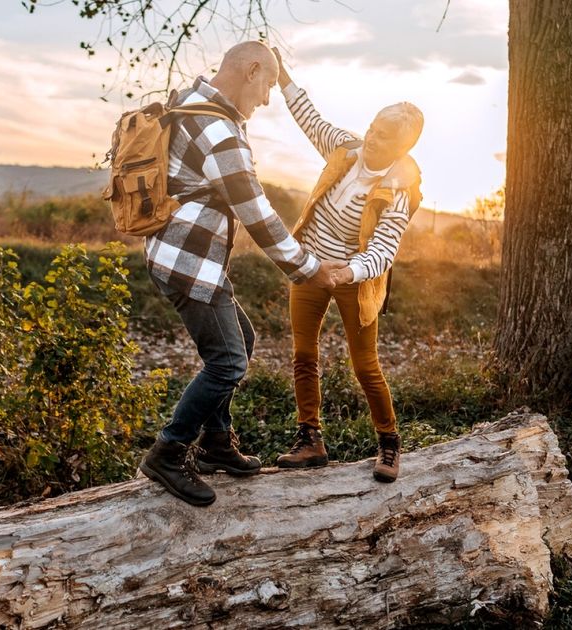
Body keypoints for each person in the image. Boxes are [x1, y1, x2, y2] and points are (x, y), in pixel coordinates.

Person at [138, 42, 346, 506]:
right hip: (189, 263)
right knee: (229, 361)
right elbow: (256, 213)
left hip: (185, 257)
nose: (268, 98)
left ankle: (216, 444)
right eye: (268, 84)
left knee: (242, 341)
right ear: (251, 71)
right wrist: (308, 269)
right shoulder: (218, 128)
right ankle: (169, 452)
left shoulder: (190, 103)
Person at [271, 48, 425, 483]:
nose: (373, 140)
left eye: (385, 138)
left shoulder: (397, 191)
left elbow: (382, 253)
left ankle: (389, 443)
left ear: (402, 148)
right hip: (310, 269)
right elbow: (310, 118)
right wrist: (284, 78)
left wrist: (343, 272)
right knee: (304, 354)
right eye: (373, 129)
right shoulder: (345, 149)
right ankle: (310, 439)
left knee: (365, 365)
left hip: (355, 282)